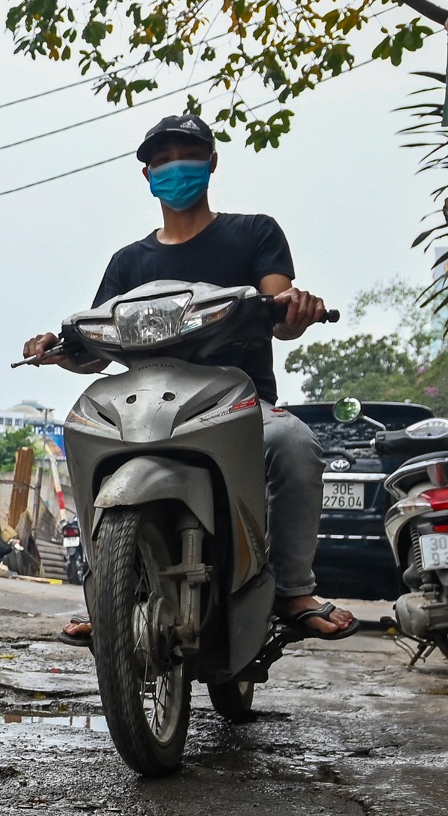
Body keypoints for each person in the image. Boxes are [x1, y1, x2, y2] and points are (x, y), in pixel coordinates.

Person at [23, 113, 357, 646]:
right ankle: (105, 592)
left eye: (186, 155)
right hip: (144, 407)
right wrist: (60, 350)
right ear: (147, 175)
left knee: (295, 443)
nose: (174, 167)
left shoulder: (253, 232)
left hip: (235, 404)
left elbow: (278, 303)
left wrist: (293, 307)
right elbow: (97, 348)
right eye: (161, 160)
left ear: (212, 162)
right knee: (83, 436)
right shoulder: (128, 262)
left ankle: (293, 591)